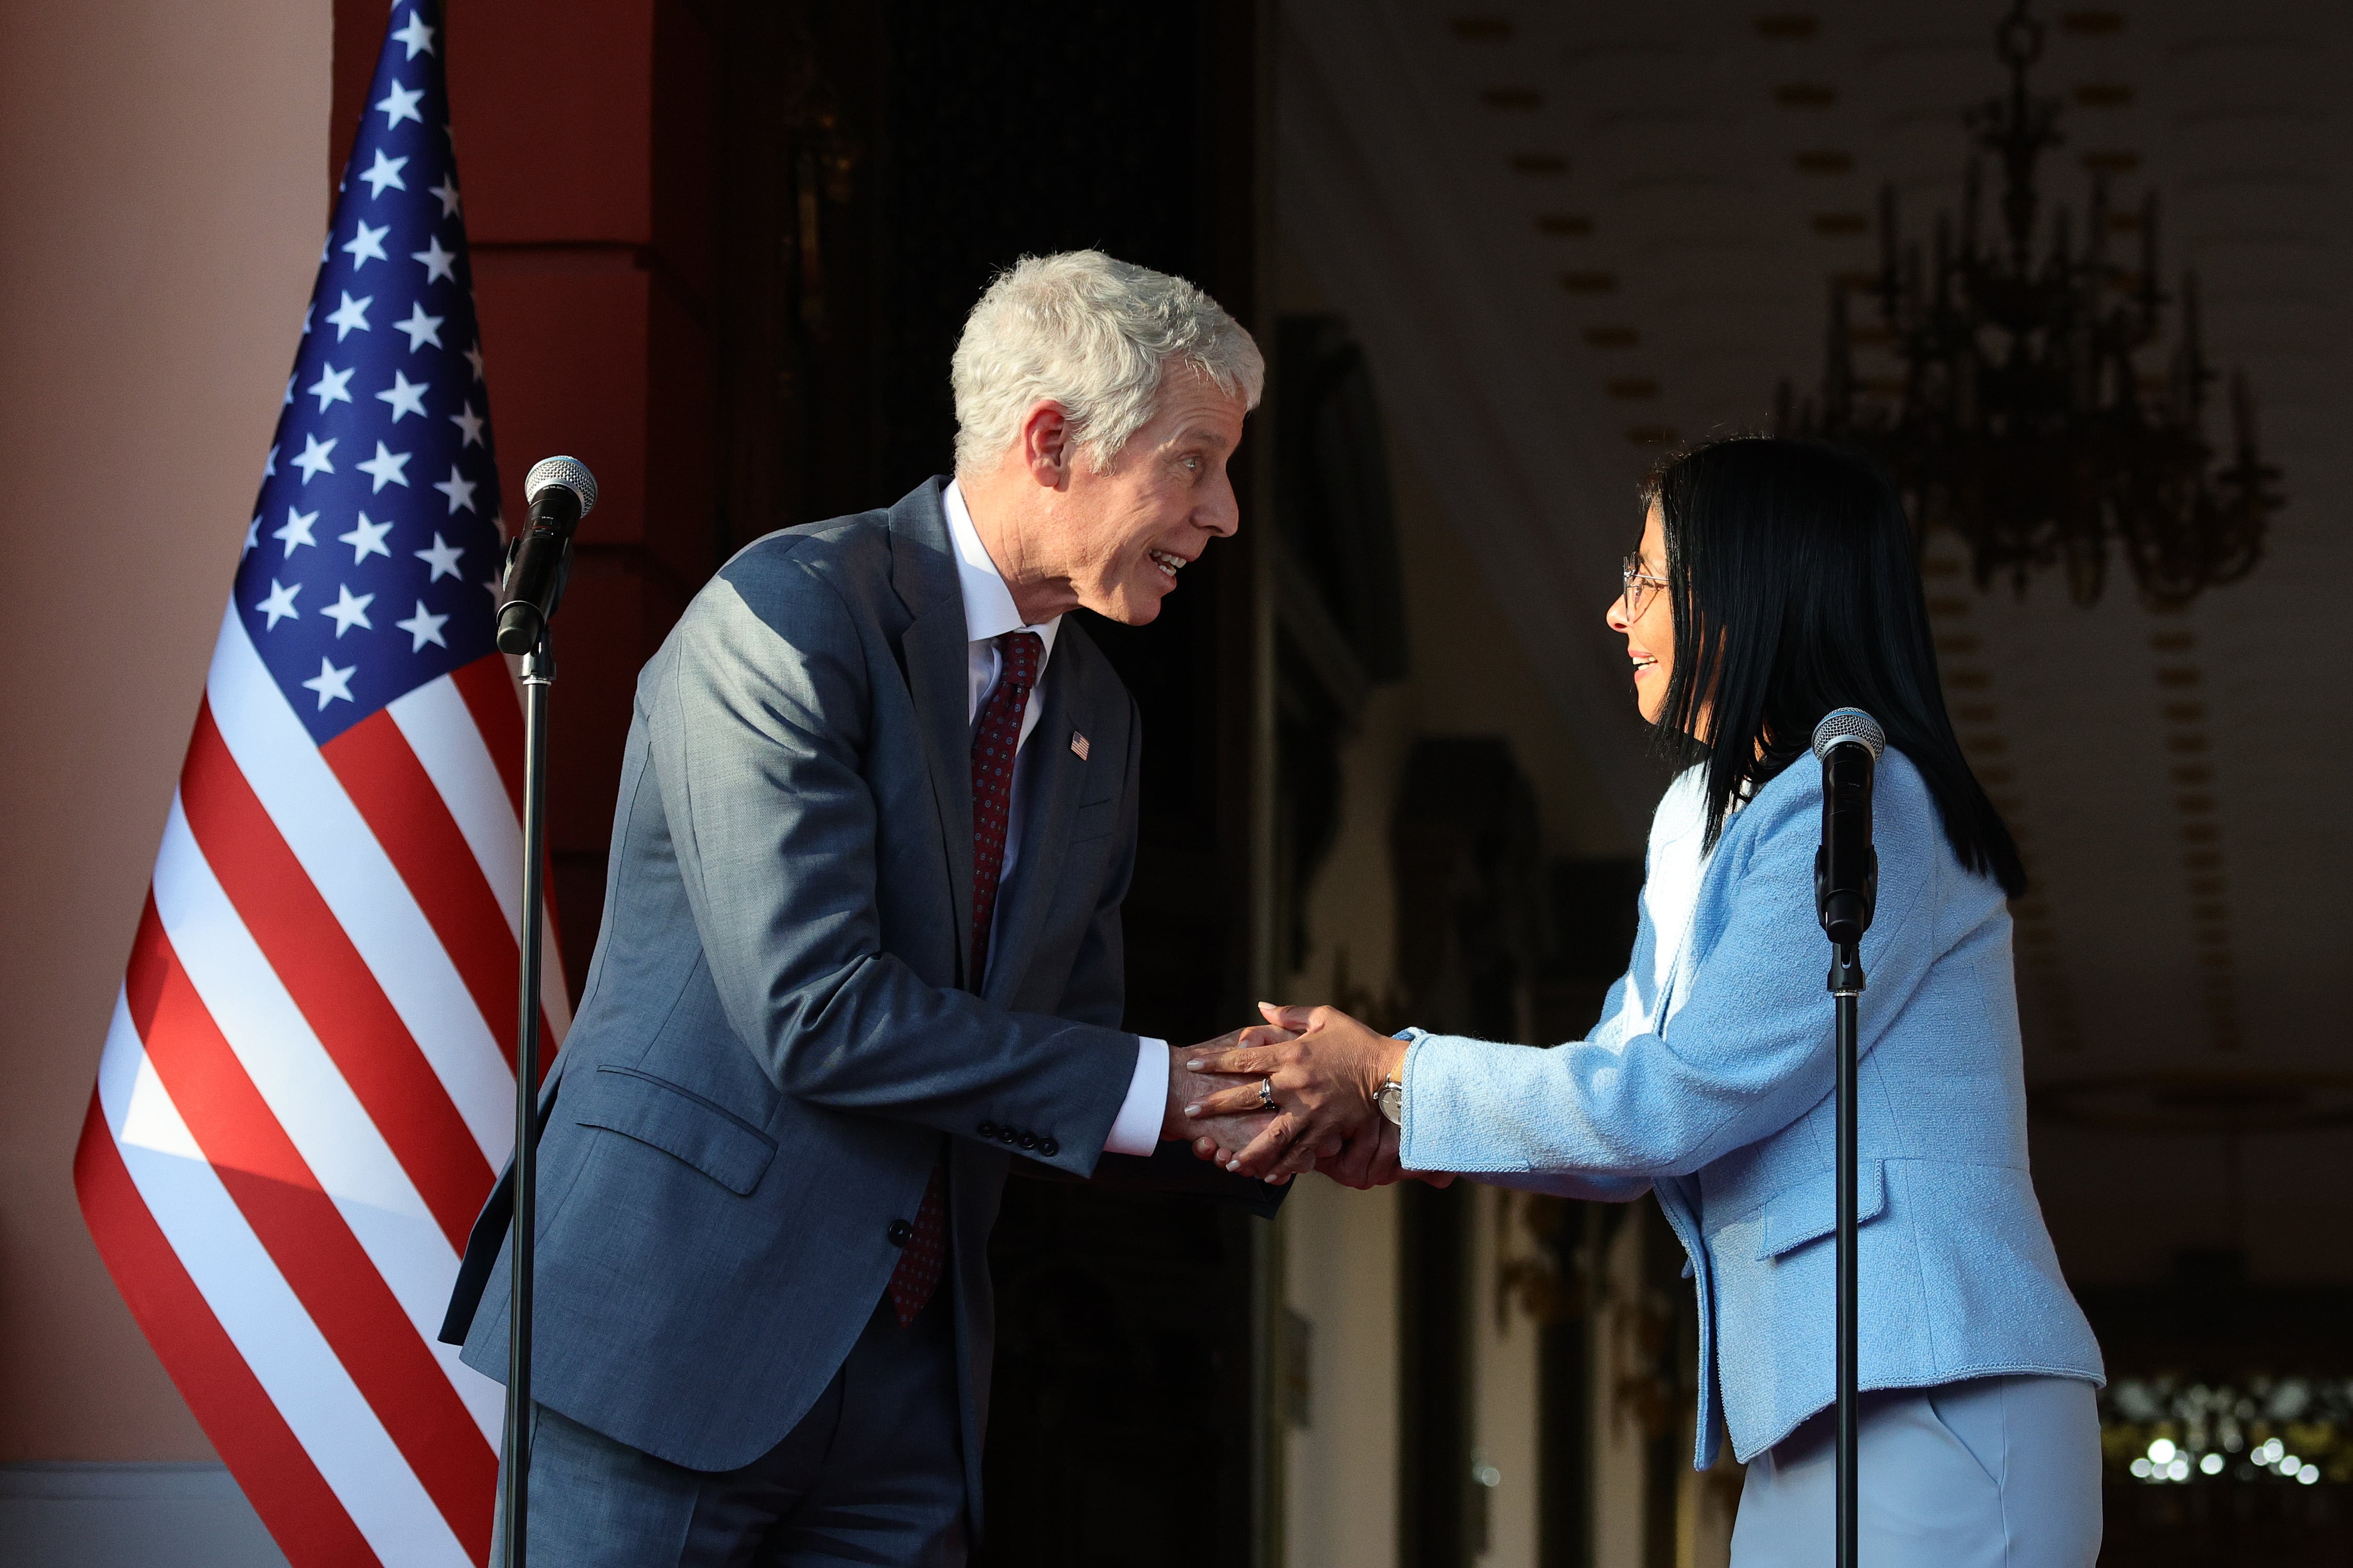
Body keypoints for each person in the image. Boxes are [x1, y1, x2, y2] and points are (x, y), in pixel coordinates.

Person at [440, 250, 1285, 1566]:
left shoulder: (1100, 720)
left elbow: (1068, 1051)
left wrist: (1278, 1111)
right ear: (1051, 440)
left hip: (907, 1390)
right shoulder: (785, 615)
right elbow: (814, 1010)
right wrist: (1162, 1088)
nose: (1224, 512)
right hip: (671, 1334)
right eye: (1195, 462)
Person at [1185, 436, 2107, 1566]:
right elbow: (1627, 1093)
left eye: (1645, 577)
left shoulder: (1866, 799)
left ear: (1748, 587)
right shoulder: (1695, 817)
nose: (1616, 613)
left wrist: (1388, 1070)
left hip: (1934, 1389)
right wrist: (1401, 1114)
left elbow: (1673, 1101)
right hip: (1817, 1404)